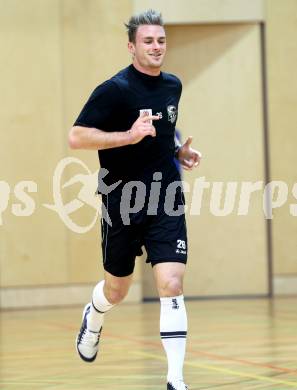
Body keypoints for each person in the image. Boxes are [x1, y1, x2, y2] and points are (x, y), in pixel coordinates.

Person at [68, 9, 201, 390]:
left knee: (172, 283)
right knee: (117, 289)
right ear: (132, 46)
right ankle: (94, 316)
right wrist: (126, 137)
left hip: (165, 197)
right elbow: (77, 137)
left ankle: (175, 379)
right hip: (122, 201)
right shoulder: (115, 90)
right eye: (148, 41)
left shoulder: (172, 85)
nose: (156, 46)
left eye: (161, 40)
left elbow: (164, 130)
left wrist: (179, 152)